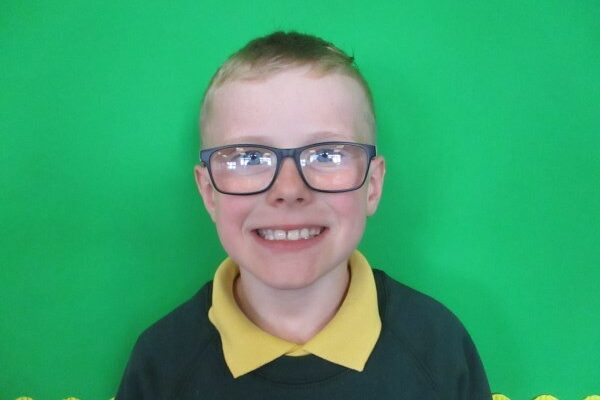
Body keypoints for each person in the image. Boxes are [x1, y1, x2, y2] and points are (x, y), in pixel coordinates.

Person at [116, 31, 491, 399]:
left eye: (327, 154)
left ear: (373, 185)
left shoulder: (439, 349)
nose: (289, 189)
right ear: (209, 192)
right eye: (248, 157)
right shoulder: (161, 366)